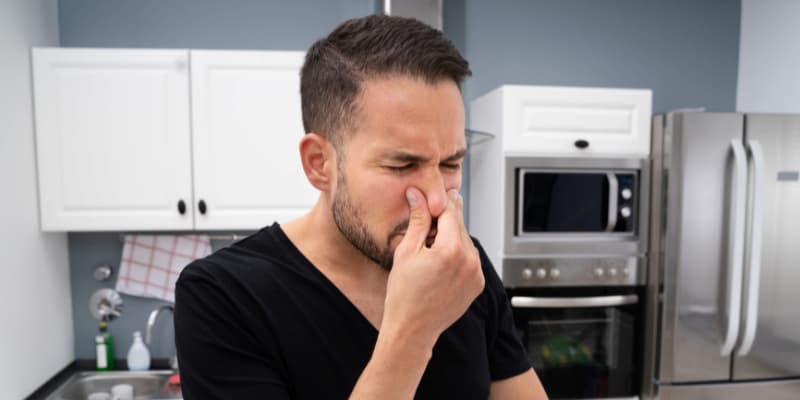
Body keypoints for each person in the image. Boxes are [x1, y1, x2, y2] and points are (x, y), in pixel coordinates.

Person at [174, 14, 548, 400]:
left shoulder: (463, 269)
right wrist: (415, 331)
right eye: (403, 165)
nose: (438, 199)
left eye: (451, 163)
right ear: (319, 163)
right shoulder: (222, 295)